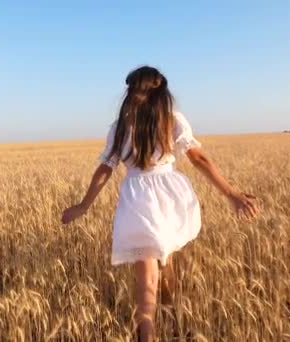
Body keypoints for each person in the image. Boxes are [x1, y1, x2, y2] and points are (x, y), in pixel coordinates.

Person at [61, 65, 259, 341]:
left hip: (157, 196)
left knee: (163, 262)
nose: (136, 93)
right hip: (152, 198)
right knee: (149, 270)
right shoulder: (156, 122)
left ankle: (169, 316)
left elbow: (108, 167)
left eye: (138, 88)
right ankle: (150, 334)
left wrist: (232, 194)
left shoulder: (148, 123)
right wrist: (83, 205)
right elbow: (196, 159)